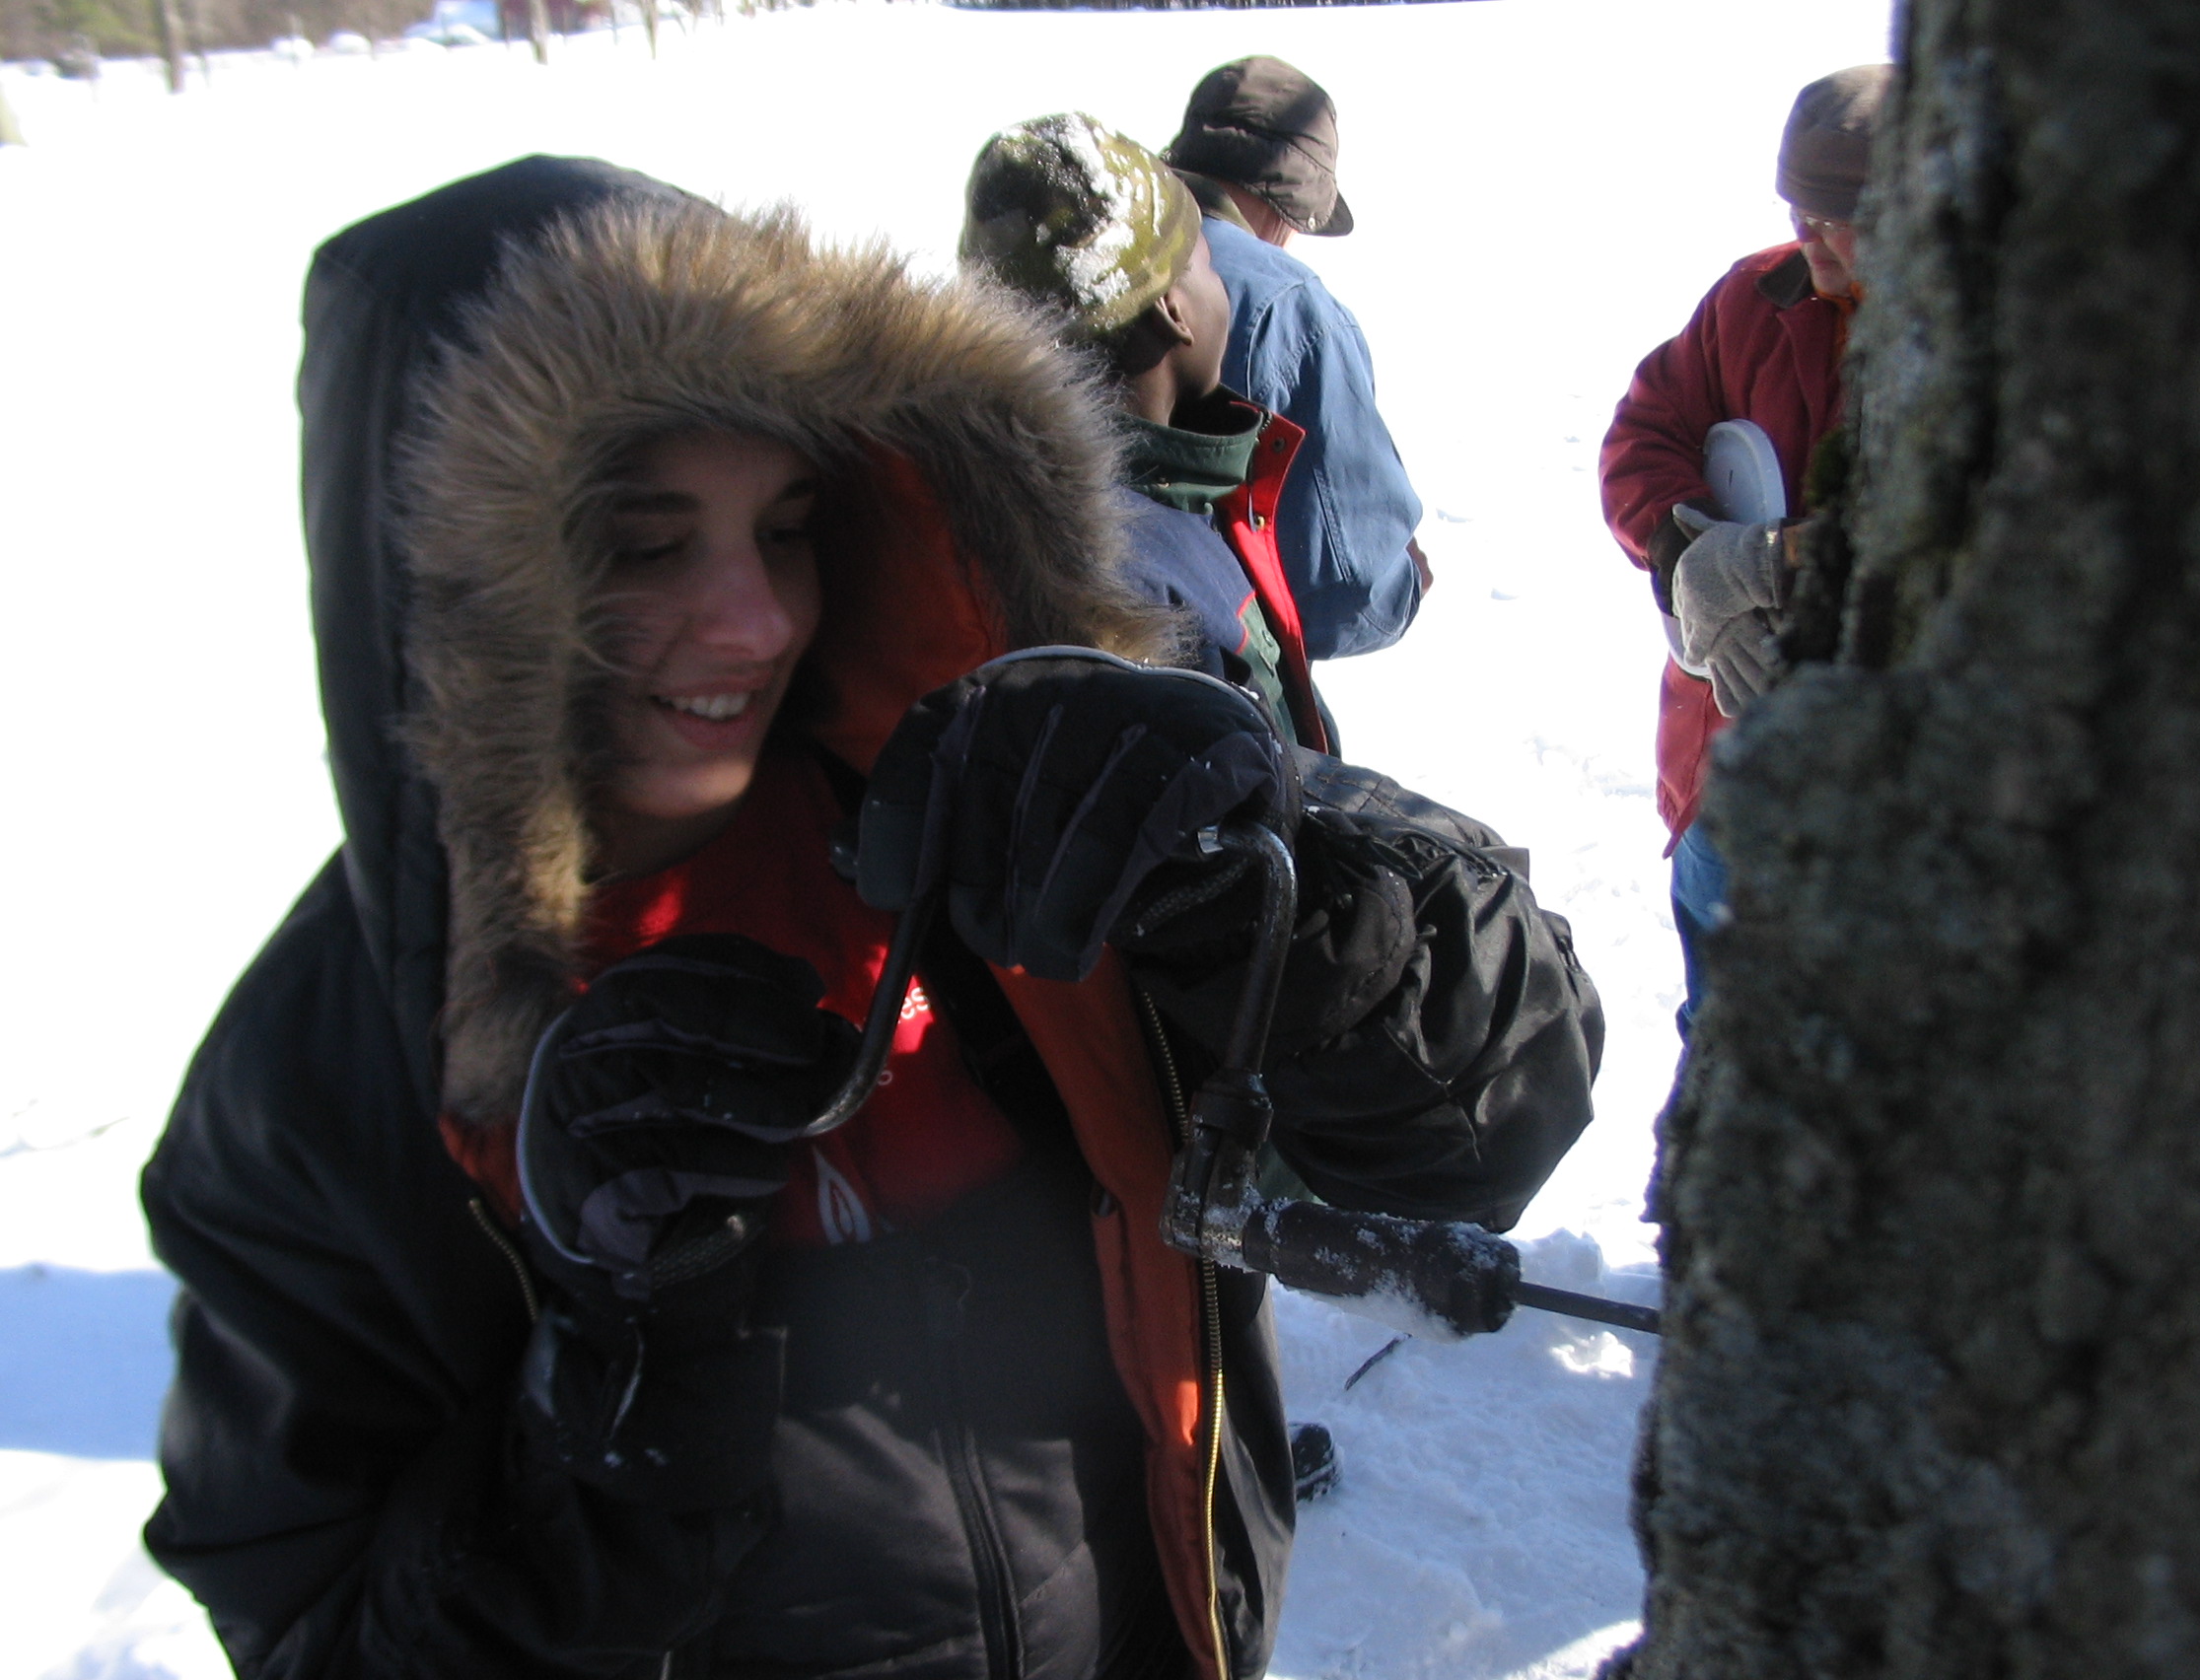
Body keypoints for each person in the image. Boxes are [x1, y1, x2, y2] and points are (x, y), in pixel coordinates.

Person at [139, 154, 1604, 1680]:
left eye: (784, 527)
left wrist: (1280, 916)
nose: (761, 618)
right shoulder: (313, 1101)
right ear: (455, 589)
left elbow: (1500, 1118)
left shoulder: (982, 789)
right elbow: (324, 1636)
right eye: (647, 545)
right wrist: (620, 1385)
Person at [1597, 63, 1892, 1037]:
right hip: (1719, 774)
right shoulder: (1753, 299)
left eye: (1836, 213)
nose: (1806, 233)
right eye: (1796, 204)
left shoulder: (1968, 344)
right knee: (1720, 1058)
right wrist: (1692, 555)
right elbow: (1641, 439)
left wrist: (1794, 565)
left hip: (1874, 811)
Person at [959, 112, 1326, 756]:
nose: (1224, 292)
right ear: (1171, 307)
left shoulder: (1011, 497)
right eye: (1207, 265)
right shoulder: (1136, 575)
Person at [1163, 56, 1428, 664]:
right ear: (1288, 202)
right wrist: (1406, 579)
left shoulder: (1082, 244)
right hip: (1202, 696)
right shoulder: (1287, 307)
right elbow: (1343, 594)